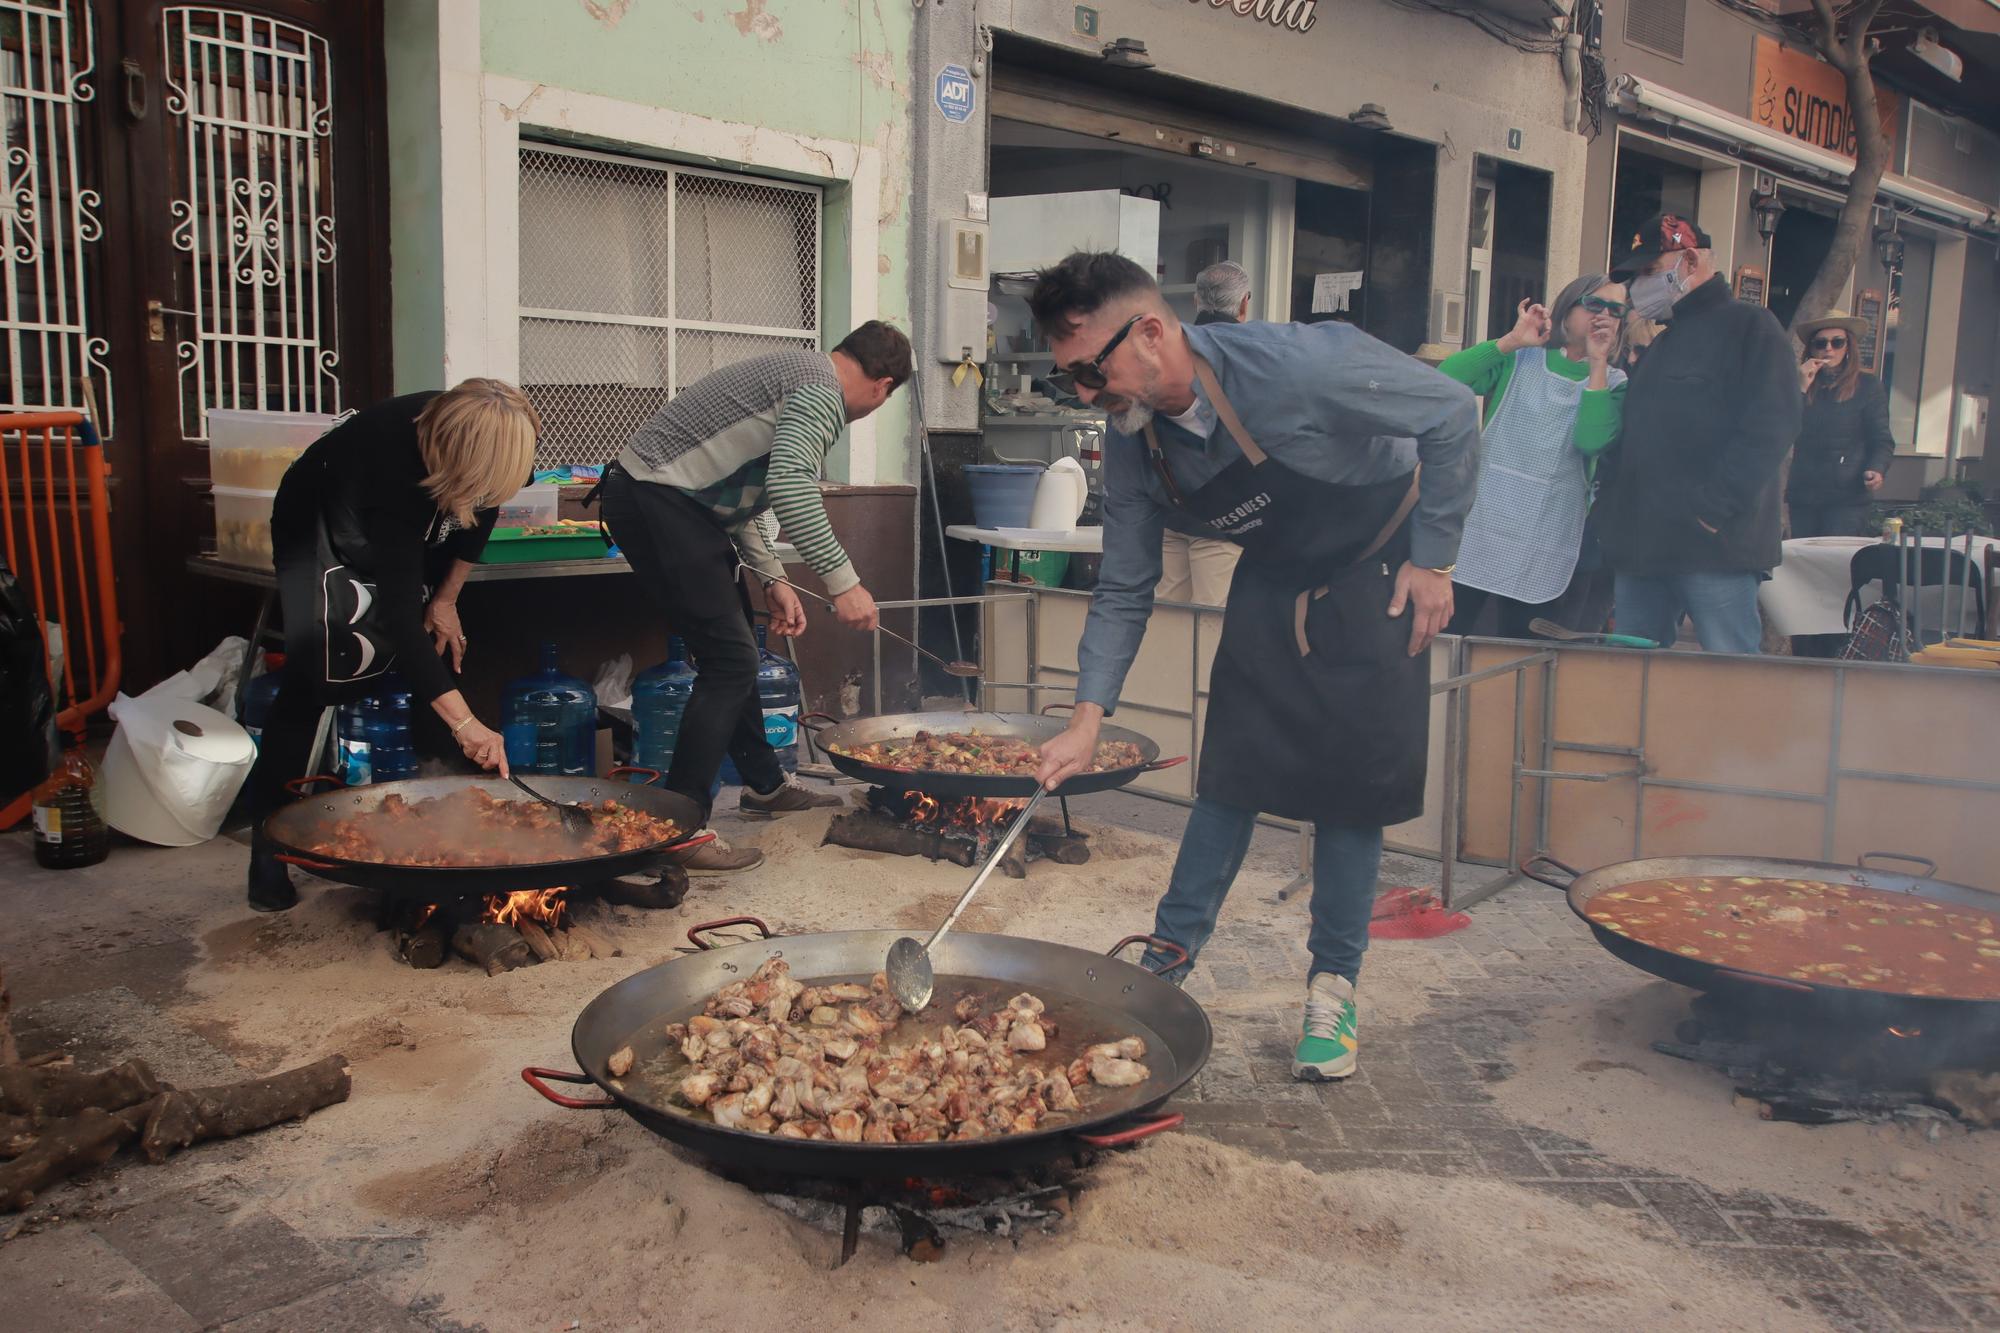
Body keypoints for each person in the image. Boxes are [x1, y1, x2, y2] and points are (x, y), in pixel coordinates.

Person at [1028, 252, 1479, 1082]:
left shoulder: (1304, 366)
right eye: (1071, 383)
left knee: (1351, 794)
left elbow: (1453, 413)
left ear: (1154, 332)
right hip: (1271, 578)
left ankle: (1334, 987)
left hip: (1377, 573)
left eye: (1092, 373)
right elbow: (1126, 582)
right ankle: (1165, 957)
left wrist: (1437, 560)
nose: (1089, 396)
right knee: (1230, 776)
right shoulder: (1133, 441)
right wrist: (1086, 718)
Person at [596, 323, 912, 872]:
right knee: (731, 660)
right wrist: (845, 582)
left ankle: (765, 785)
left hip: (667, 504)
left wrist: (774, 577)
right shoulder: (821, 390)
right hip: (659, 502)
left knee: (734, 652)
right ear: (882, 386)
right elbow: (791, 482)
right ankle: (679, 828)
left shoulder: (799, 374)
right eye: (881, 401)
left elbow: (745, 492)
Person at [243, 380, 534, 912]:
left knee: (438, 643)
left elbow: (479, 519)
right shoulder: (394, 465)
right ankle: (269, 848)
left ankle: (449, 818)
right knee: (313, 678)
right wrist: (468, 725)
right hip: (318, 521)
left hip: (407, 513)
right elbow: (398, 615)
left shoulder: (502, 442)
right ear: (453, 459)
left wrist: (445, 599)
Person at [1600, 214, 1801, 653]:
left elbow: (1773, 423)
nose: (1636, 289)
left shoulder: (1751, 327)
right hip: (1644, 545)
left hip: (1716, 546)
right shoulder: (1661, 343)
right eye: (1633, 278)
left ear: (1688, 260)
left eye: (1648, 273)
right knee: (1628, 682)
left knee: (1729, 684)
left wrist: (1714, 508)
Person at [1439, 278, 1627, 639]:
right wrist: (1510, 342)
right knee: (1449, 641)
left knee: (1521, 652)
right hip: (1483, 526)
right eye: (1594, 304)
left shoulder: (1615, 384)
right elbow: (1447, 379)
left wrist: (1597, 365)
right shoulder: (1520, 360)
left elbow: (1591, 441)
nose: (1604, 316)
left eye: (1616, 310)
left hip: (1546, 537)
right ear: (1566, 309)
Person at [1158, 260, 1253, 606]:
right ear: (1244, 304)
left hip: (1169, 508)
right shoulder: (1250, 356)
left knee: (1166, 621)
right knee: (1212, 627)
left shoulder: (1167, 349)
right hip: (1225, 514)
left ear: (1197, 302)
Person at [1787, 310, 1892, 538]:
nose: (1828, 349)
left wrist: (1876, 468)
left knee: (1834, 560)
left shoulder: (1867, 386)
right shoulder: (1800, 382)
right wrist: (1800, 389)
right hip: (1805, 492)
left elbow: (1881, 437)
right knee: (1804, 562)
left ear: (1848, 348)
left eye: (1837, 342)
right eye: (1821, 343)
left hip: (1847, 494)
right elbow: (1783, 426)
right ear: (1811, 349)